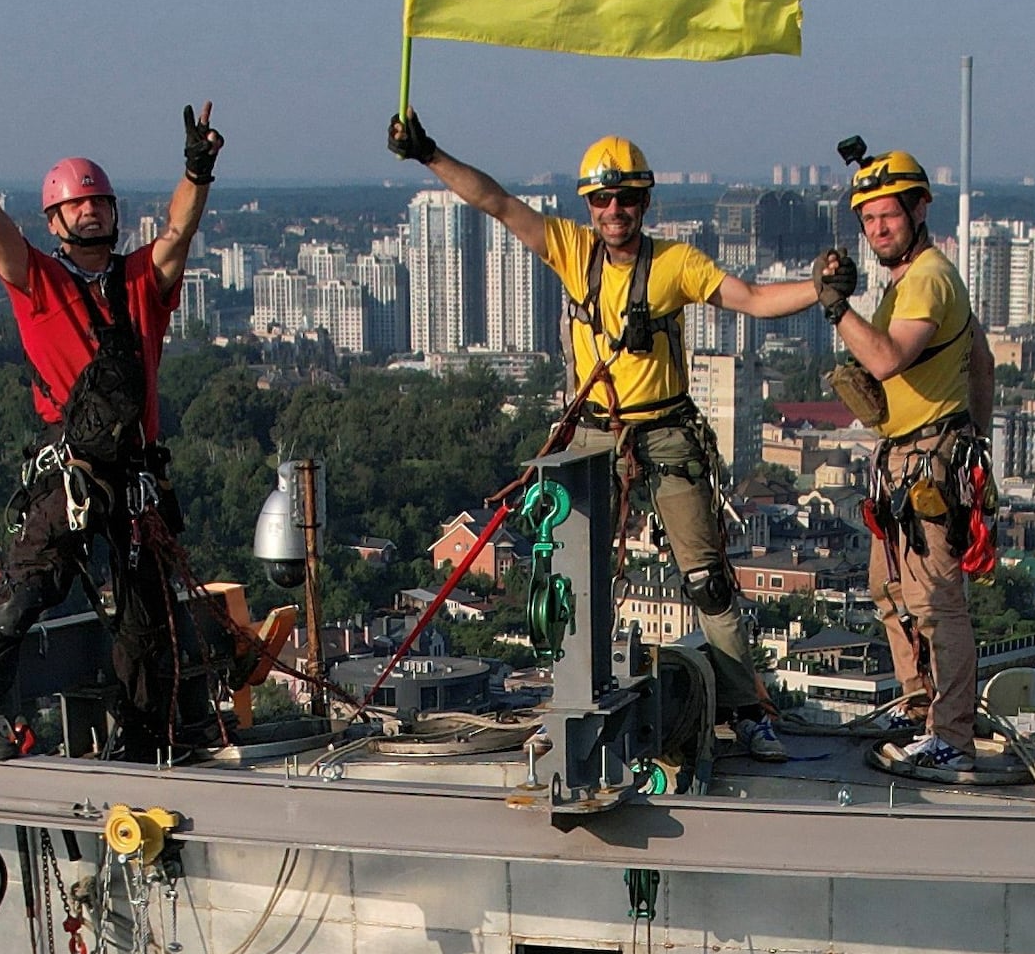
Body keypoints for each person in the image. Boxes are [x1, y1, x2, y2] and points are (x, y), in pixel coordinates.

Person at [383, 117, 830, 737]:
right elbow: (497, 204)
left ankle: (746, 709)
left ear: (644, 203)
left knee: (707, 581)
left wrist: (819, 289)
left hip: (666, 431)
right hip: (595, 431)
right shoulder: (574, 251)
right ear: (589, 206)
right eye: (602, 200)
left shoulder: (674, 264)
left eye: (625, 198)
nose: (614, 210)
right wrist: (429, 154)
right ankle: (578, 700)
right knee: (576, 572)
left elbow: (751, 298)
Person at [0, 92, 219, 761]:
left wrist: (196, 171)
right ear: (54, 219)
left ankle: (145, 734)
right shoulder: (40, 282)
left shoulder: (140, 282)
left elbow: (177, 232)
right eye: (78, 205)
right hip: (71, 470)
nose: (91, 211)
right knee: (26, 590)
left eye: (99, 202)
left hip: (133, 474)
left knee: (145, 617)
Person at [815, 146, 995, 776]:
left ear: (920, 210)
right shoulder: (912, 280)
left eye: (888, 215)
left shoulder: (927, 280)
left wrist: (836, 307)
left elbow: (887, 359)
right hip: (910, 458)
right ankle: (924, 708)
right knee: (891, 592)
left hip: (926, 460)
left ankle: (951, 734)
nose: (877, 228)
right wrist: (976, 437)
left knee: (935, 602)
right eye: (868, 219)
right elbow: (981, 362)